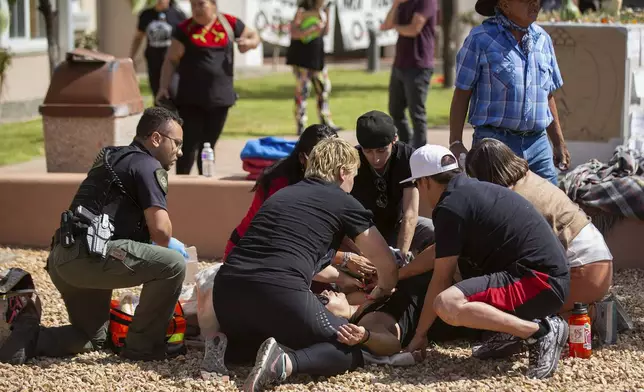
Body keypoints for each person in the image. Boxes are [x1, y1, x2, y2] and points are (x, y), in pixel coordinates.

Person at [1, 107, 188, 362]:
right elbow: (162, 232)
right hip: (92, 257)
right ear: (156, 139)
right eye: (176, 143)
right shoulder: (147, 164)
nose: (179, 151)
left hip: (63, 258)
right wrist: (171, 245)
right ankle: (142, 348)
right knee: (174, 264)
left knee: (91, 336)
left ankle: (29, 338)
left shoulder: (113, 156)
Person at [212, 137, 399, 392]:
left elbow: (287, 253)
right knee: (349, 349)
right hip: (278, 293)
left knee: (264, 342)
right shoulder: (342, 201)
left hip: (226, 295)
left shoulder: (282, 195)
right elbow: (386, 263)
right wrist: (383, 290)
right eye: (353, 176)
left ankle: (226, 349)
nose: (353, 184)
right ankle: (285, 363)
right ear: (343, 172)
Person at [402, 144, 571, 380]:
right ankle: (512, 332)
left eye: (417, 184)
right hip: (545, 275)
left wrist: (420, 334)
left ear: (426, 182)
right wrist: (401, 274)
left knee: (447, 303)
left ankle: (540, 331)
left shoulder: (450, 207)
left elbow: (441, 277)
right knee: (468, 281)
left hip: (539, 283)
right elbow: (439, 252)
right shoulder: (469, 191)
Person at [465, 138, 613, 316]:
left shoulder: (511, 200)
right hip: (599, 262)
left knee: (512, 312)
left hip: (584, 272)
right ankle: (591, 310)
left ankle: (589, 314)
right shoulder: (530, 179)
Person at [449, 0, 570, 185]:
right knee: (496, 209)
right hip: (495, 145)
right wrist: (455, 142)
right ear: (504, 5)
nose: (535, 5)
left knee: (551, 207)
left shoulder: (543, 39)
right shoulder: (480, 39)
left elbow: (547, 95)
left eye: (537, 1)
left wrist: (558, 142)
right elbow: (462, 93)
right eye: (528, 1)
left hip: (538, 144)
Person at [157, 0, 261, 175]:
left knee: (208, 146)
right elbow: (171, 60)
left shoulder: (229, 23)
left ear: (213, 4)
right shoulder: (185, 28)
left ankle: (206, 187)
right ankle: (183, 190)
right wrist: (163, 87)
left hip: (220, 98)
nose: (196, 9)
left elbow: (255, 36)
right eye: (193, 5)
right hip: (190, 99)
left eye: (201, 4)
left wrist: (249, 44)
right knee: (188, 145)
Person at [223, 124, 338, 261]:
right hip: (249, 255)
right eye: (321, 159)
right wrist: (344, 259)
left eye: (334, 158)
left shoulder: (339, 177)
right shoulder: (280, 184)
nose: (328, 166)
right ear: (303, 158)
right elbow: (287, 239)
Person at [350, 110, 435, 260]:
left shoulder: (408, 157)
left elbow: (410, 212)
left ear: (394, 139)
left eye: (382, 150)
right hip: (364, 231)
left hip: (398, 225)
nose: (375, 159)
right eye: (368, 151)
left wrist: (401, 254)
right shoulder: (351, 161)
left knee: (435, 232)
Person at [380, 0, 439, 148]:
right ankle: (407, 146)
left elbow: (414, 29)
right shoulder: (402, 3)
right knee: (395, 110)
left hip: (419, 65)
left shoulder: (427, 2)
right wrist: (395, 4)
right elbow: (386, 25)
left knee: (416, 113)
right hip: (399, 64)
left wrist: (395, 27)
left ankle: (420, 150)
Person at [286, 0, 342, 135]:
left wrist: (327, 17)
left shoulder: (323, 11)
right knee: (303, 91)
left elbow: (325, 31)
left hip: (317, 56)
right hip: (302, 58)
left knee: (323, 88)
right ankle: (301, 124)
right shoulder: (301, 11)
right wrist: (311, 29)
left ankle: (326, 122)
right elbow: (294, 33)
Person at [130, 0, 187, 99]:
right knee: (157, 93)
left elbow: (185, 39)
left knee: (173, 91)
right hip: (153, 60)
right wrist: (132, 56)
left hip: (172, 61)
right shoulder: (146, 15)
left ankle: (175, 113)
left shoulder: (178, 15)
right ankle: (160, 113)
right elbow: (138, 38)